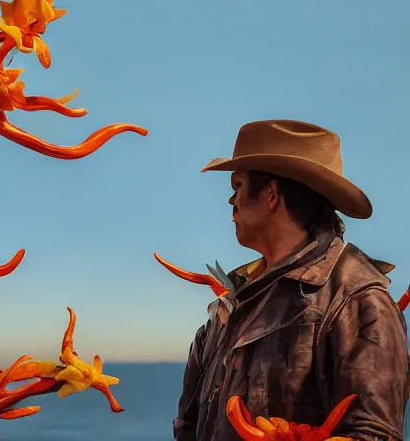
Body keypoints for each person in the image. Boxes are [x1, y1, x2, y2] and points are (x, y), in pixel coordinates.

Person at [173, 119, 409, 441]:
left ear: (271, 194)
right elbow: (188, 425)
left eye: (237, 187)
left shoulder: (359, 300)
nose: (231, 202)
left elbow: (375, 434)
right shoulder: (231, 303)